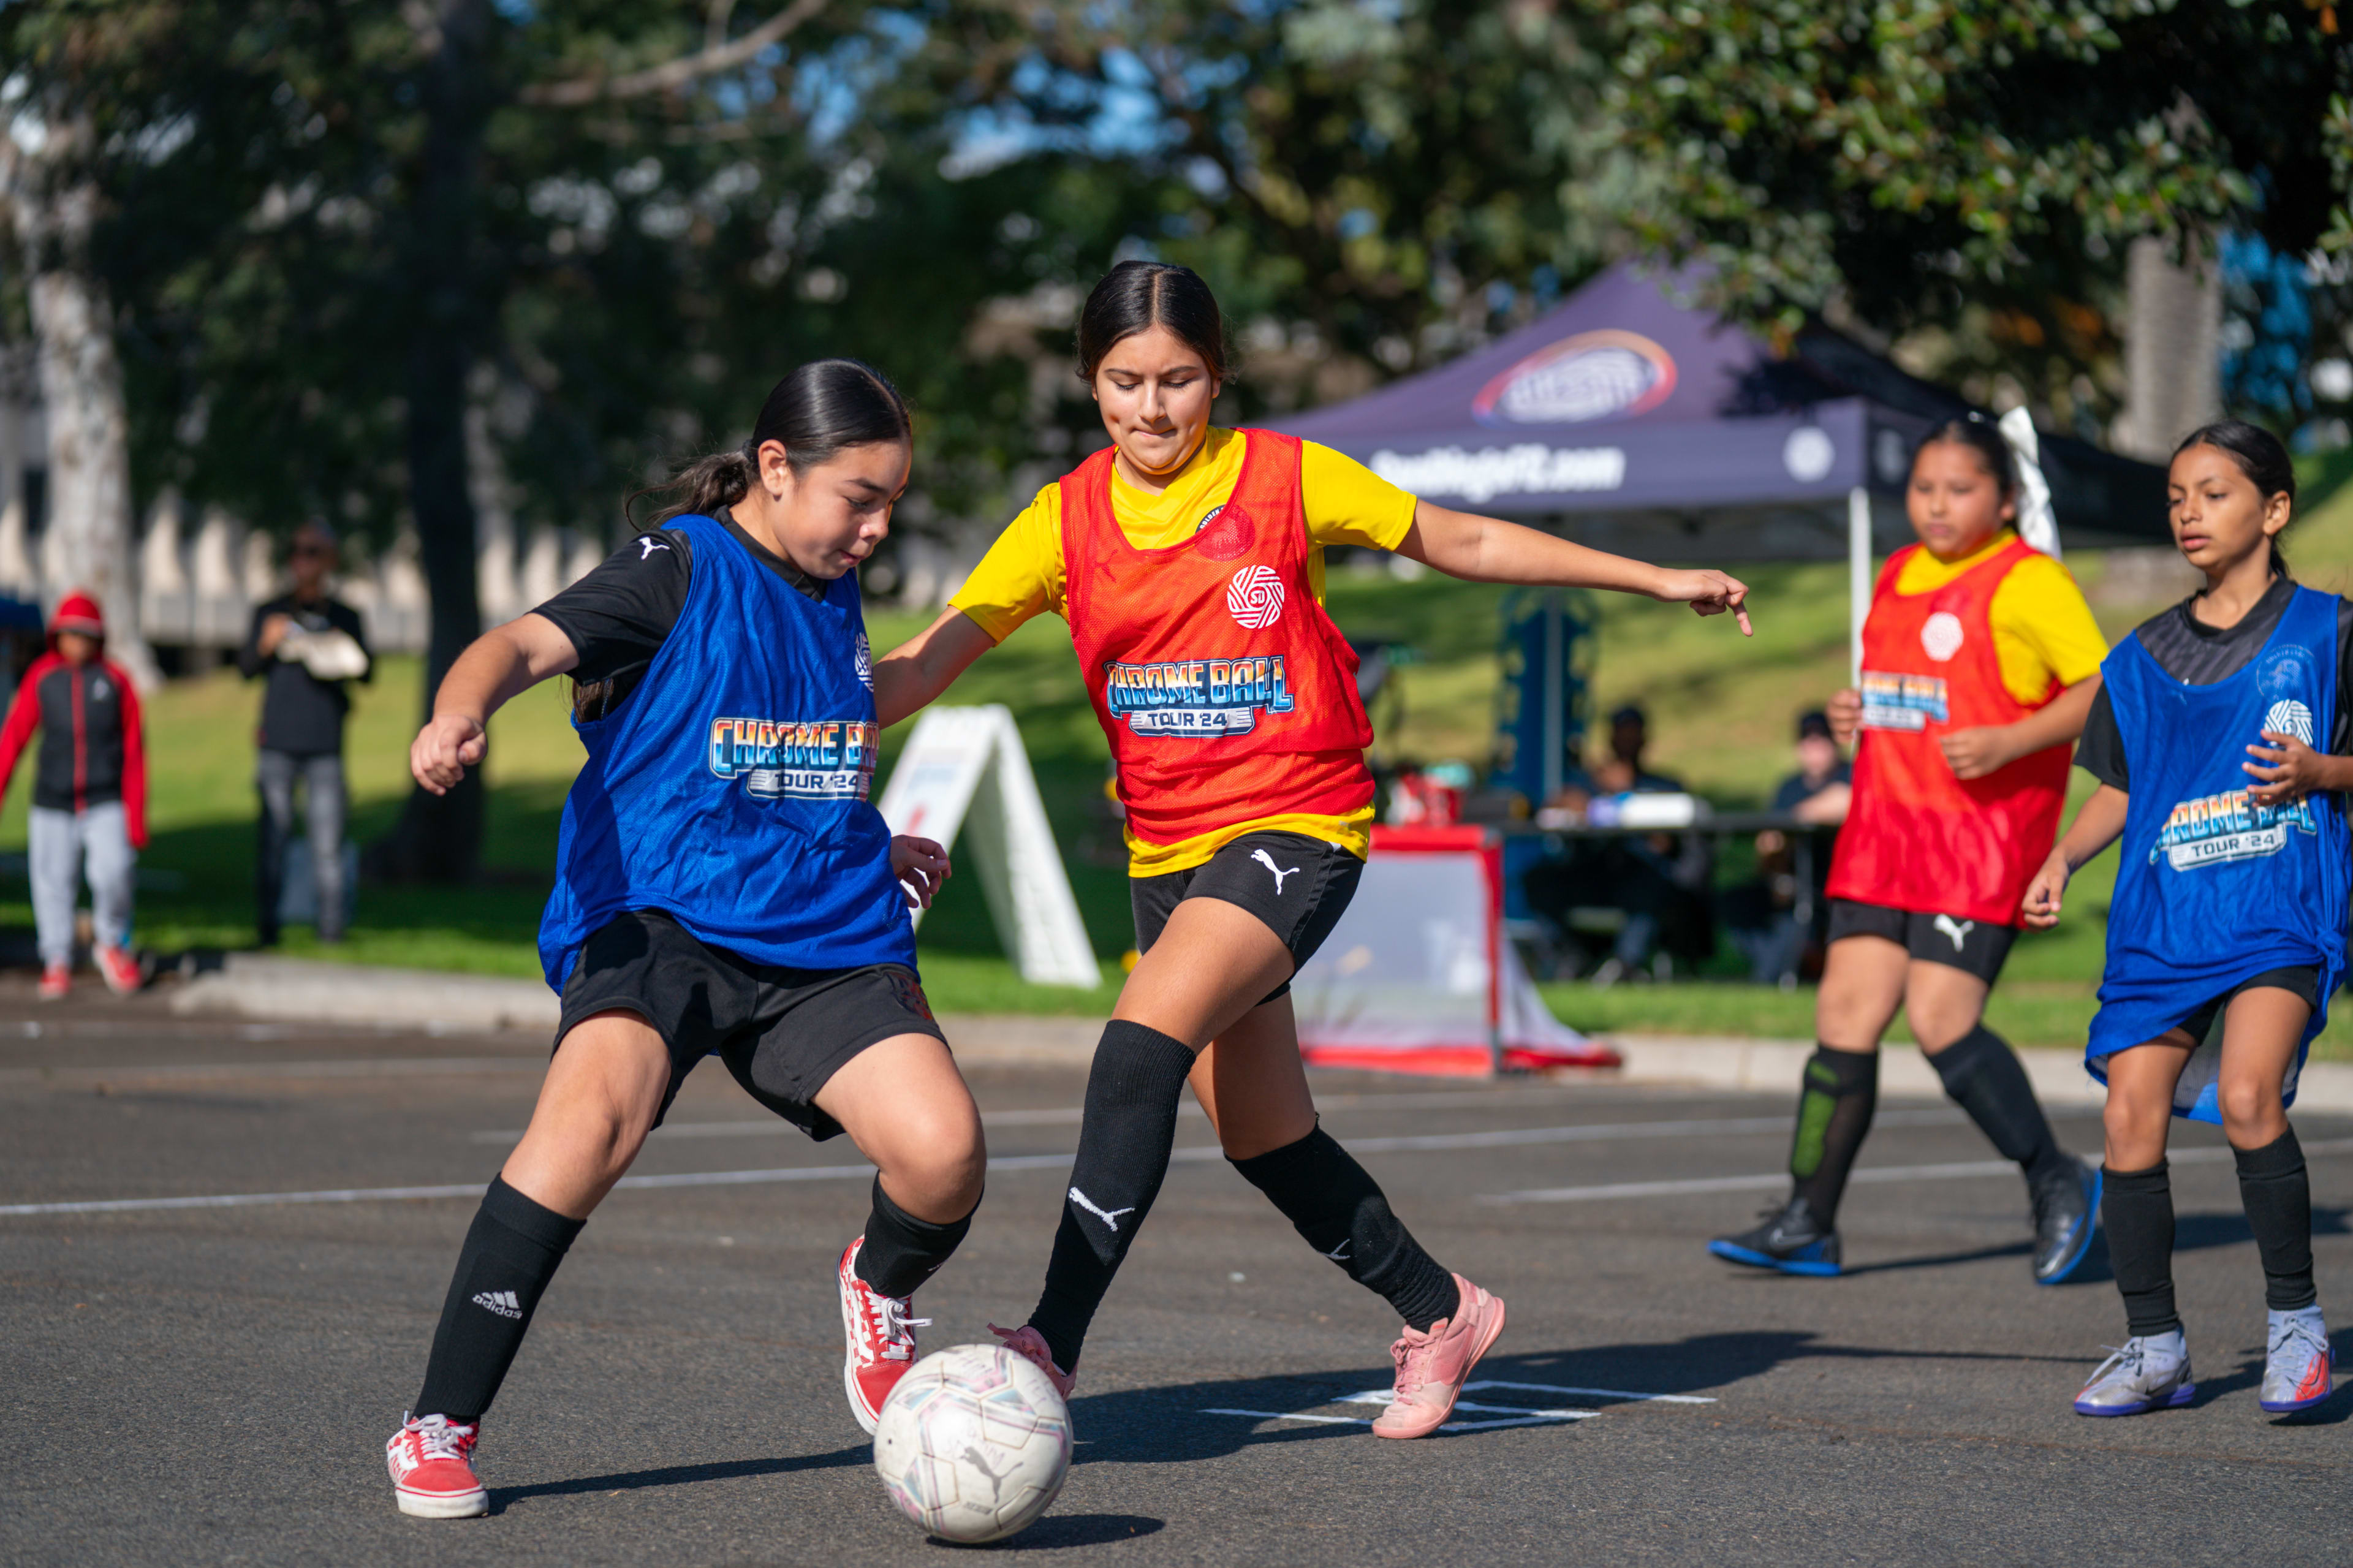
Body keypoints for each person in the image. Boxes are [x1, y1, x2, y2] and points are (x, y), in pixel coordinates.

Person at [873, 260, 1752, 1438]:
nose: (1151, 407)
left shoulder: (1285, 477)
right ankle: (1442, 1309)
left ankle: (1050, 1341)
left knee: (1134, 1051)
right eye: (1125, 381)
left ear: (1218, 376)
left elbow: (1462, 539)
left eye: (1178, 379)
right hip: (1166, 852)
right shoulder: (1061, 520)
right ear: (1090, 383)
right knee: (1263, 1132)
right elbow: (924, 662)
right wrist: (767, 695)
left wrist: (1655, 577)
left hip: (1295, 822)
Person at [382, 361, 981, 1519]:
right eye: (861, 498)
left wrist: (867, 837)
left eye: (892, 502)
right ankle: (439, 1420)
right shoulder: (679, 565)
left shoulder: (832, 582)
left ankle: (877, 1284)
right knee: (587, 1128)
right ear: (775, 467)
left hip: (820, 931)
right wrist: (459, 710)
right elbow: (518, 645)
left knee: (945, 1155)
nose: (877, 527)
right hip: (658, 916)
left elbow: (830, 716)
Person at [1708, 414, 2107, 1282]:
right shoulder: (1897, 571)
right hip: (1885, 830)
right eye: (1924, 488)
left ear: (2006, 500)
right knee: (1843, 1018)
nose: (1937, 505)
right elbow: (1905, 689)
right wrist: (1852, 710)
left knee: (1940, 1021)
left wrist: (2012, 739)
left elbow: (2104, 690)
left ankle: (2059, 1177)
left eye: (1960, 489)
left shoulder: (2030, 581)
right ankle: (1809, 1219)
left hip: (1979, 842)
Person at [2024, 421, 2344, 1417]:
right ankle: (2155, 1343)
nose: (2189, 513)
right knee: (2128, 1114)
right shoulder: (2140, 656)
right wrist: (2062, 856)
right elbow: (2128, 787)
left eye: (2213, 492)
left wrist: (2323, 770)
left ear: (2274, 509)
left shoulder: (2330, 631)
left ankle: (2296, 1323)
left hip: (2274, 905)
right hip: (2164, 916)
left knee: (2249, 1094)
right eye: (2175, 497)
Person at [0, 591, 146, 1000]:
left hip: (104, 797)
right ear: (57, 636)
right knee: (52, 880)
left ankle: (111, 942)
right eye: (70, 634)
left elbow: (135, 752)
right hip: (53, 799)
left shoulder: (116, 680)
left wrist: (136, 817)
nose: (77, 642)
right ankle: (57, 957)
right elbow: (14, 737)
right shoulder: (43, 677)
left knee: (115, 869)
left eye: (85, 634)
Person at [239, 520, 372, 945]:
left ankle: (331, 930)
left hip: (325, 743)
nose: (303, 560)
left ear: (330, 559)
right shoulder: (271, 610)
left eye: (313, 551)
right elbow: (245, 668)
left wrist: (335, 647)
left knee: (328, 843)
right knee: (273, 838)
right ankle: (267, 929)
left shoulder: (345, 616)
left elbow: (367, 672)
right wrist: (267, 642)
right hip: (277, 742)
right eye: (296, 551)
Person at [1524, 704, 1710, 984]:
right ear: (1610, 738)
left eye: (1633, 734)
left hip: (1645, 875)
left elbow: (1665, 843)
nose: (1627, 740)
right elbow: (1552, 809)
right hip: (1596, 873)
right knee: (1538, 878)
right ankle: (1568, 957)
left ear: (1645, 740)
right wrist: (1572, 802)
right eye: (1621, 733)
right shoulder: (1589, 784)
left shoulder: (1664, 786)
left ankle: (1627, 965)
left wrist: (1625, 792)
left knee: (1651, 888)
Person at [1724, 711, 1852, 985]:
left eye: (1822, 740)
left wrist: (1795, 818)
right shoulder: (1789, 787)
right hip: (1789, 879)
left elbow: (1845, 800)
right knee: (1734, 901)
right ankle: (1769, 968)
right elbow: (1768, 841)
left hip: (1833, 883)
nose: (1814, 747)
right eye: (1808, 740)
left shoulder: (1850, 774)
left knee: (1799, 910)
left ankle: (1774, 975)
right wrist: (1775, 871)